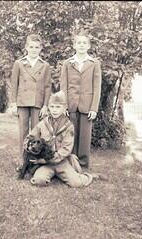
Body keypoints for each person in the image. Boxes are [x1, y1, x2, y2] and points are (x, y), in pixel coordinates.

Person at [22, 90, 93, 188]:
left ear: (64, 108)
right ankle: (51, 174)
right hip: (45, 164)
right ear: (49, 108)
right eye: (52, 107)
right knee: (39, 180)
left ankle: (83, 175)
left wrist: (45, 160)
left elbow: (66, 149)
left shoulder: (68, 126)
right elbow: (29, 138)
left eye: (58, 107)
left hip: (61, 161)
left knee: (76, 183)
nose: (54, 110)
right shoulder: (43, 123)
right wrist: (29, 148)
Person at [60, 30, 102, 169]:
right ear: (74, 45)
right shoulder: (67, 63)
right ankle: (70, 162)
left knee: (85, 137)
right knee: (71, 134)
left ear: (89, 46)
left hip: (87, 105)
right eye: (79, 43)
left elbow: (97, 87)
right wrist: (64, 105)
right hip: (71, 104)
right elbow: (63, 86)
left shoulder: (94, 63)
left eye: (84, 43)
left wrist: (94, 108)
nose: (82, 45)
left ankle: (83, 164)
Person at [10, 34, 51, 165]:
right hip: (22, 102)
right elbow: (14, 84)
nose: (34, 49)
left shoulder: (44, 65)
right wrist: (13, 103)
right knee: (23, 131)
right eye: (31, 47)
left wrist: (45, 105)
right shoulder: (19, 63)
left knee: (36, 132)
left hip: (37, 102)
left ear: (41, 49)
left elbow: (48, 86)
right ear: (26, 47)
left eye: (37, 47)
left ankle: (34, 160)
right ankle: (22, 159)